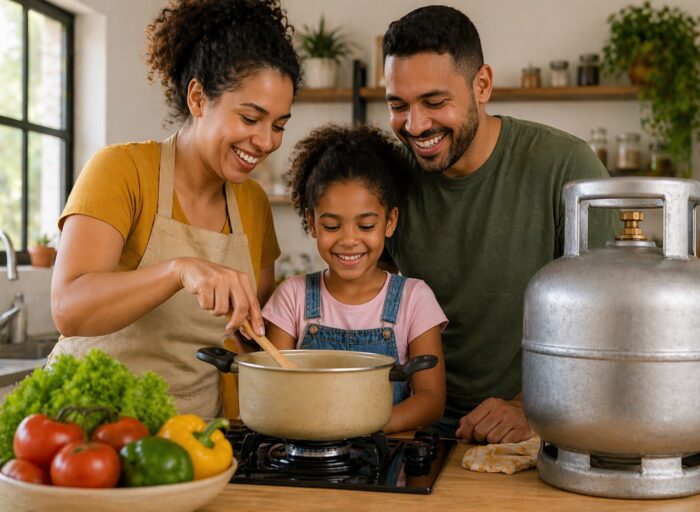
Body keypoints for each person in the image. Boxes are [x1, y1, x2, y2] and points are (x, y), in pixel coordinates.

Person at [49, 0, 301, 418]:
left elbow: (250, 334)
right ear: (198, 98)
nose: (265, 141)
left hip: (192, 435)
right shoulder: (123, 170)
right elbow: (69, 310)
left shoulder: (253, 203)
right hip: (87, 428)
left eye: (278, 125)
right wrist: (178, 269)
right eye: (250, 117)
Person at [381, 6, 621, 443]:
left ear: (483, 85)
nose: (415, 126)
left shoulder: (565, 165)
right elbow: (355, 290)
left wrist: (527, 407)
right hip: (414, 425)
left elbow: (613, 315)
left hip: (535, 427)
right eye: (399, 106)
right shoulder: (387, 177)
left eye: (435, 102)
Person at [262, 124, 447, 433]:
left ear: (390, 222)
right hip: (308, 447)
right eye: (333, 226)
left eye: (365, 226)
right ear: (312, 222)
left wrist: (361, 427)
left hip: (383, 449)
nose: (349, 240)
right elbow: (274, 387)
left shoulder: (414, 298)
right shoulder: (292, 296)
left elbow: (430, 399)